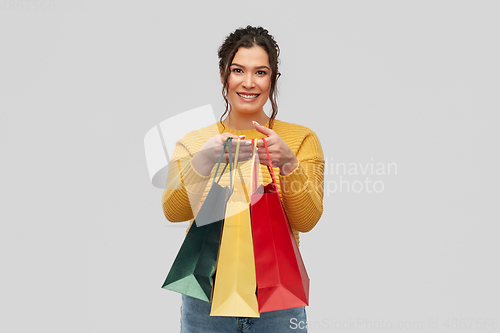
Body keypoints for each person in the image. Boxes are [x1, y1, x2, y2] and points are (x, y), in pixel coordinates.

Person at [162, 25, 324, 333]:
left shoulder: (300, 139)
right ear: (223, 74)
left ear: (273, 79)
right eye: (238, 70)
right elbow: (173, 212)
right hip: (204, 298)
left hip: (278, 299)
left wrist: (288, 163)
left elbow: (307, 220)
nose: (248, 83)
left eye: (260, 72)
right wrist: (201, 163)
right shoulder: (195, 142)